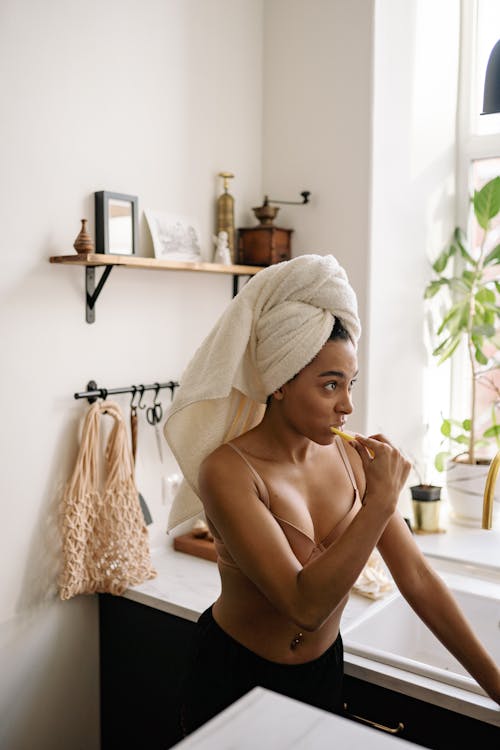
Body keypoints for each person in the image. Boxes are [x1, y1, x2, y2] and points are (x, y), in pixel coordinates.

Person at [164, 254, 500, 736]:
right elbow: (304, 604)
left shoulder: (352, 462)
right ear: (278, 383)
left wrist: (495, 684)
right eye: (329, 386)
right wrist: (381, 502)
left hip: (322, 675)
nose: (347, 405)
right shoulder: (229, 472)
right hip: (234, 678)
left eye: (350, 384)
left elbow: (418, 577)